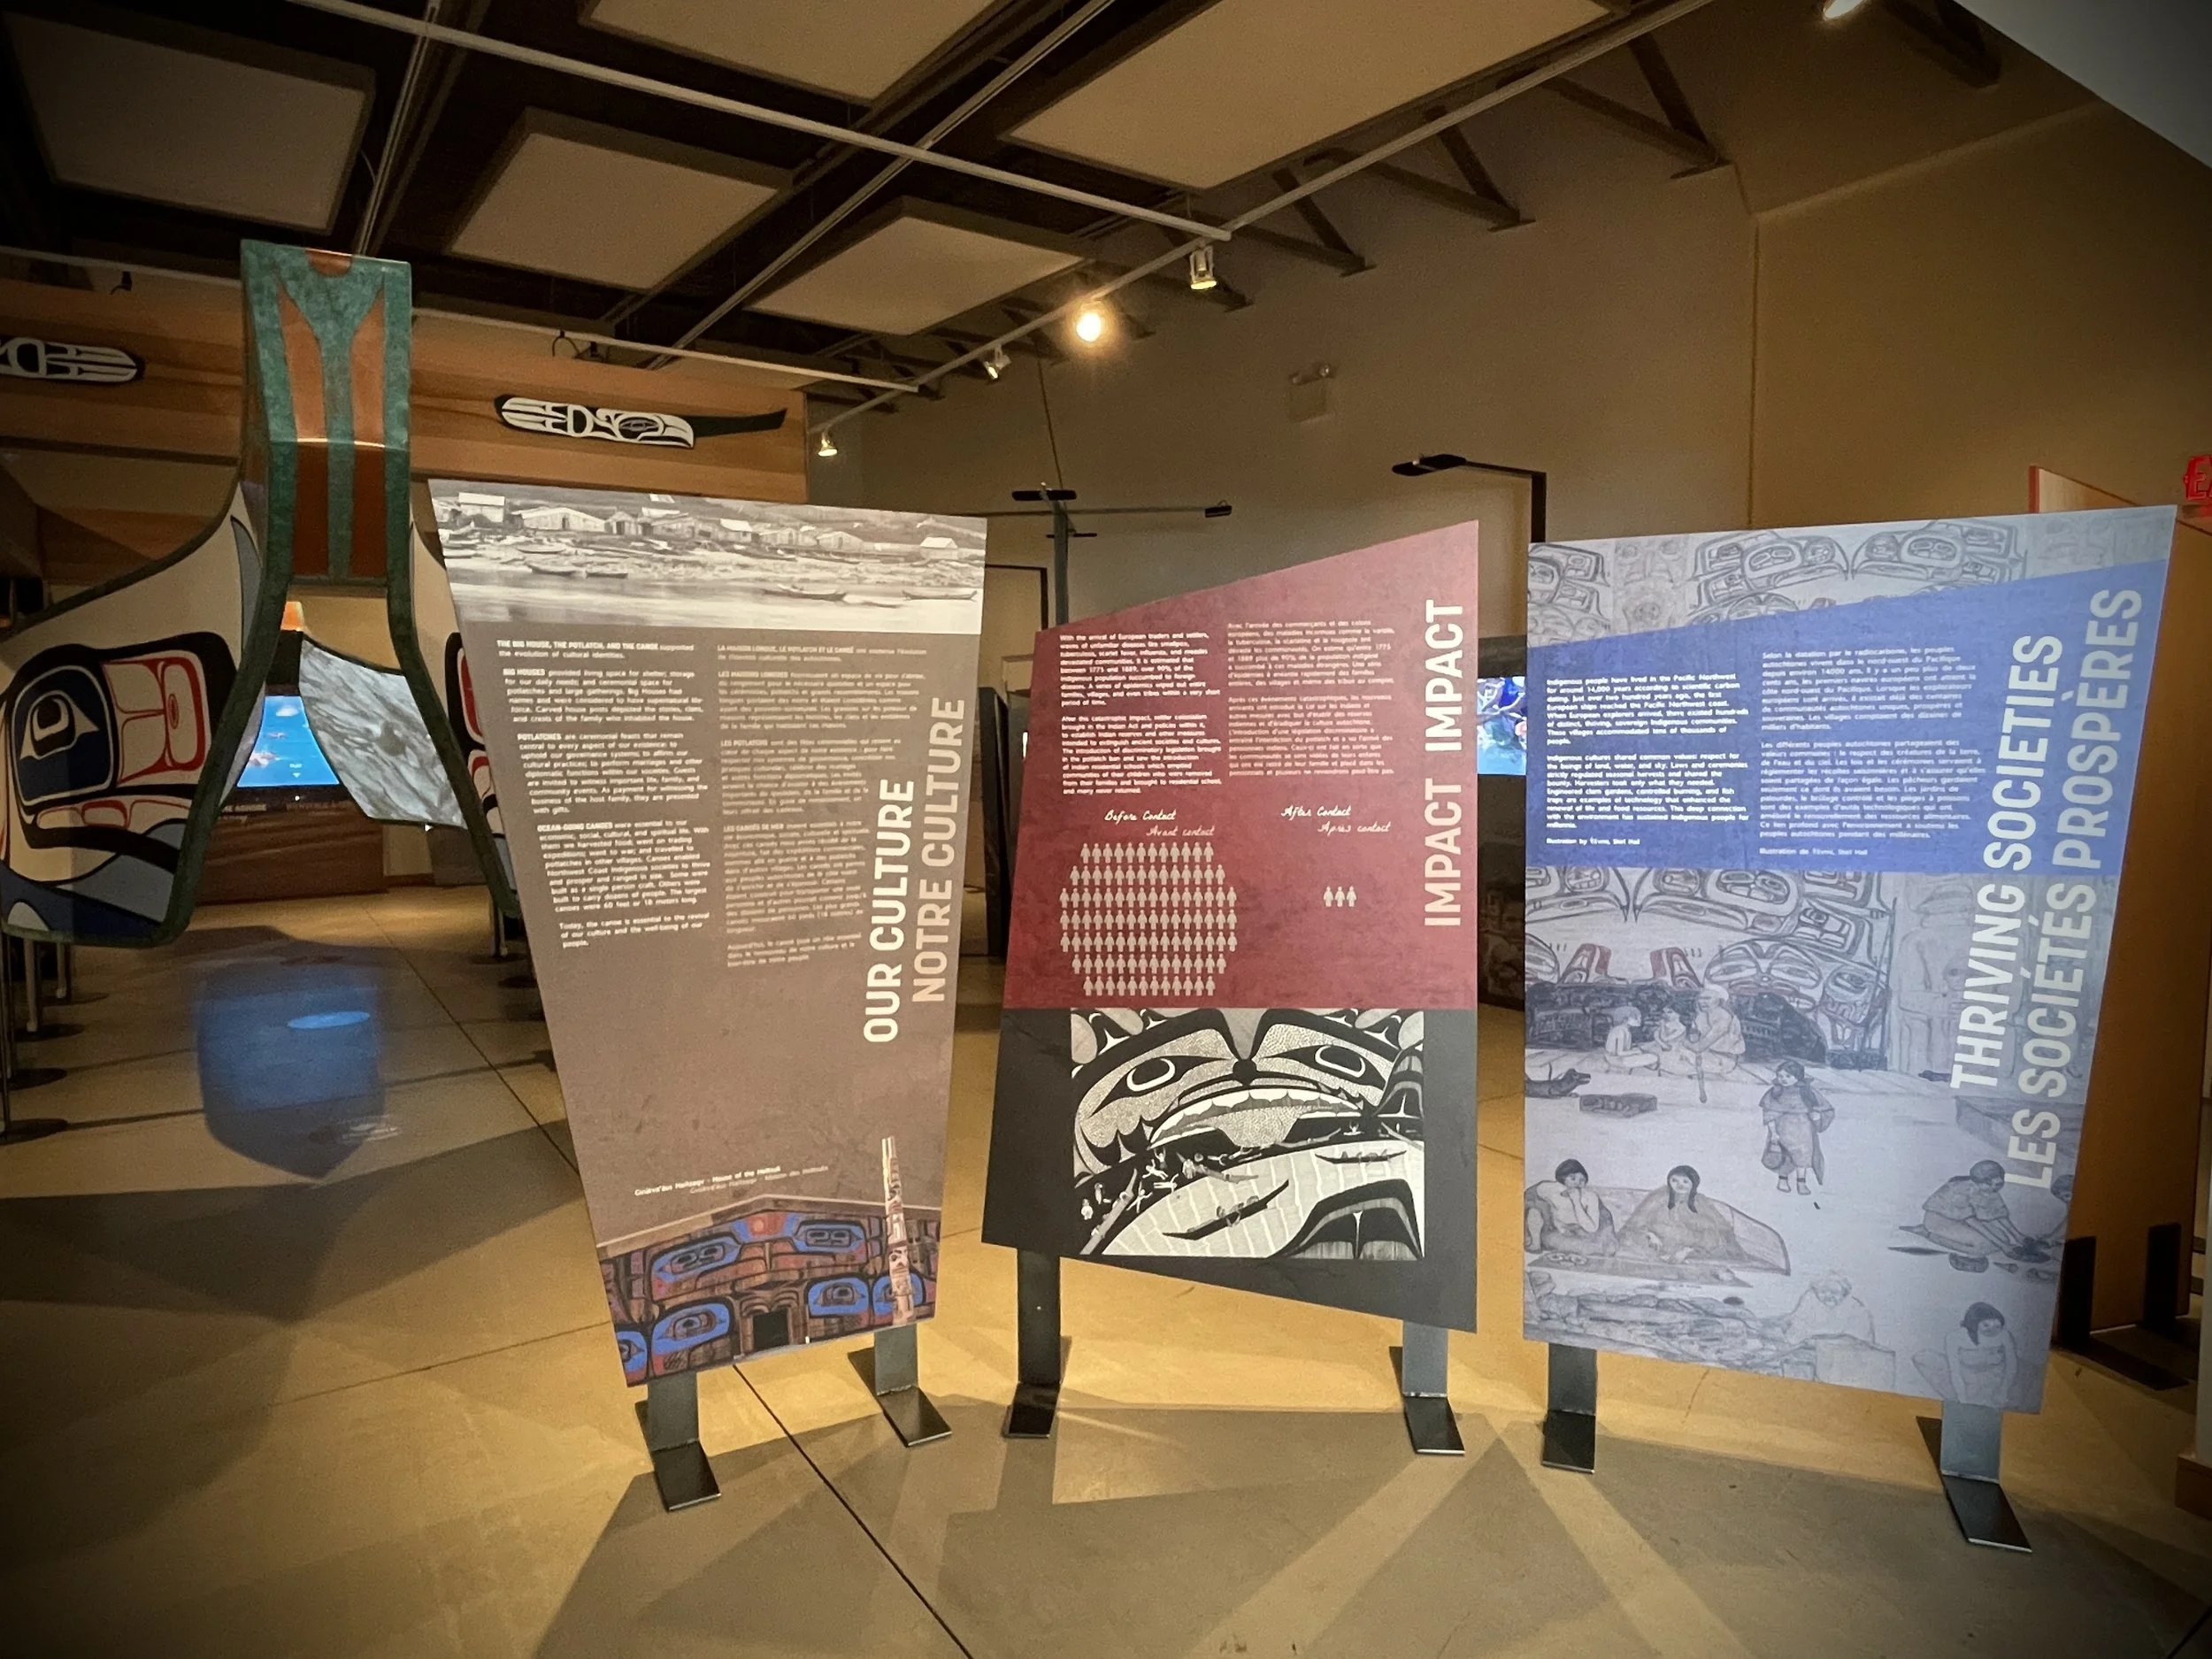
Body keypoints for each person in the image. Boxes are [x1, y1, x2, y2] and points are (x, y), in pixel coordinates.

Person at [1918, 1161, 2047, 1270]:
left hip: (1961, 1221)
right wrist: (2004, 1246)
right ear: (1979, 1181)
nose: (1995, 1188)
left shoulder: (1990, 1188)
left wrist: (2020, 1237)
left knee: (2003, 1237)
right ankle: (1928, 1234)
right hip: (1940, 1221)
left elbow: (1998, 1214)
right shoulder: (1960, 1189)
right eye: (1991, 1185)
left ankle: (1998, 1244)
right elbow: (1972, 1221)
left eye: (1999, 1185)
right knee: (1985, 1246)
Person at [1622, 1164, 1746, 1263]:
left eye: (1685, 1182)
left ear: (1693, 1184)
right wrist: (1650, 1235)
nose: (1680, 1185)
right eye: (1674, 1180)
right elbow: (1635, 1224)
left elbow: (1715, 1233)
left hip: (1692, 1248)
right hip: (1656, 1244)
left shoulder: (1701, 1203)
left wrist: (1688, 1251)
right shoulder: (1658, 1198)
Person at [1758, 1058, 1834, 1195]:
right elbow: (1769, 1114)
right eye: (1780, 1076)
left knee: (1803, 1157)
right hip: (1782, 1131)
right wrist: (1773, 1133)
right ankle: (1782, 1180)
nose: (1784, 1079)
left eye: (1788, 1076)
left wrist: (1817, 1117)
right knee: (1783, 1156)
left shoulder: (1808, 1092)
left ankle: (1801, 1183)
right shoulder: (1775, 1093)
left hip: (1803, 1133)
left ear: (1798, 1076)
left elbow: (1825, 1108)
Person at [1525, 1158, 1617, 1257]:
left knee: (1594, 1246)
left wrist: (1576, 1202)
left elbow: (1592, 1228)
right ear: (1563, 1179)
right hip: (1563, 1232)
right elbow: (1532, 1196)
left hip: (1589, 1232)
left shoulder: (1590, 1197)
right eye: (1573, 1179)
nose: (1577, 1183)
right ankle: (1535, 1244)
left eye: (1582, 1180)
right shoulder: (1553, 1191)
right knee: (1535, 1212)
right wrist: (1560, 1227)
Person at [1944, 1302, 2020, 1408]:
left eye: (1997, 1326)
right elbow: (1955, 1371)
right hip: (1968, 1378)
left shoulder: (2004, 1335)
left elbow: (2011, 1365)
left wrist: (2004, 1390)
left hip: (1995, 1378)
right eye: (1986, 1325)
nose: (1992, 1330)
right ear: (1974, 1324)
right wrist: (1962, 1398)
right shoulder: (1955, 1337)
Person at [1782, 1271, 1876, 1346]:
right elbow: (1795, 1332)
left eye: (1834, 1292)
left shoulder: (1856, 1309)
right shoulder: (1809, 1301)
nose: (1828, 1296)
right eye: (1823, 1292)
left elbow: (1862, 1341)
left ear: (1844, 1293)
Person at [1687, 987, 1746, 1083]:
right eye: (1700, 998)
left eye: (1707, 998)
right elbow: (1694, 1038)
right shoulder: (1700, 1016)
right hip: (1706, 1055)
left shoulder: (1724, 1017)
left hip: (1723, 1060)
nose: (1702, 1001)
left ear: (1719, 1000)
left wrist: (1684, 1043)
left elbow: (1700, 1047)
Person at [1602, 1005, 1658, 1072]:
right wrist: (1635, 1052)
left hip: (1616, 1058)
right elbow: (1619, 1053)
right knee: (1653, 1057)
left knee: (1648, 1054)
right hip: (1615, 1059)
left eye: (1639, 1017)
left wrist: (1636, 1049)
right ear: (1625, 1019)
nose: (1639, 1020)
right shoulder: (1621, 1031)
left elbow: (1625, 1048)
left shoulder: (1625, 1030)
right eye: (1635, 1017)